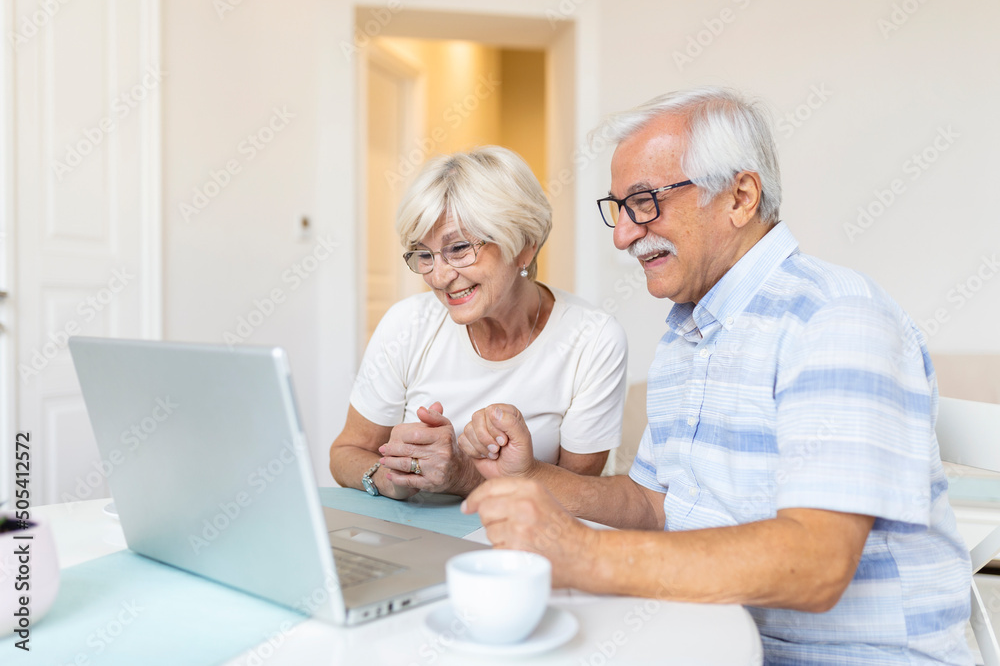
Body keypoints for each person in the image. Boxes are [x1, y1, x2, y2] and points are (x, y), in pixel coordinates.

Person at [459, 88, 973, 664]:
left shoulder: (835, 318)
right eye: (619, 208)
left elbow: (820, 564)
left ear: (740, 196)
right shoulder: (689, 329)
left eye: (645, 202)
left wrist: (583, 554)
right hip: (714, 635)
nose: (623, 234)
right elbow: (654, 505)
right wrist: (532, 476)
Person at [329, 145, 628, 501]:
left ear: (524, 245)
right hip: (415, 537)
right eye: (424, 254)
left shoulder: (592, 340)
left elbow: (581, 497)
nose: (438, 276)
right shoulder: (407, 323)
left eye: (458, 249)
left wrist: (466, 477)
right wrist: (387, 477)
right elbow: (344, 453)